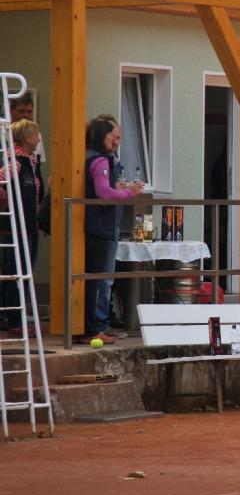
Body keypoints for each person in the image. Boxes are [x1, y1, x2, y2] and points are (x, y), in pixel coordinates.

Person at [83, 117, 144, 344]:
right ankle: (95, 327)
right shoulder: (99, 161)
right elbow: (103, 193)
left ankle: (98, 325)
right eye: (113, 136)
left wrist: (121, 188)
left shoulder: (105, 159)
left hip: (105, 225)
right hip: (101, 226)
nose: (116, 141)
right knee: (100, 279)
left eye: (119, 137)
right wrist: (129, 193)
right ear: (102, 136)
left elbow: (107, 188)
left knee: (102, 279)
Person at [0, 119, 44, 337]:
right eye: (36, 136)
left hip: (28, 225)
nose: (38, 140)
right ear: (27, 138)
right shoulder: (15, 161)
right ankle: (14, 321)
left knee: (22, 272)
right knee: (17, 272)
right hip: (16, 227)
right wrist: (5, 201)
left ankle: (13, 318)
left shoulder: (31, 161)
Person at [9, 92, 46, 166]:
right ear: (11, 111)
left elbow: (37, 167)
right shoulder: (3, 133)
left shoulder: (36, 136)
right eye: (21, 111)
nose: (25, 115)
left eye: (29, 111)